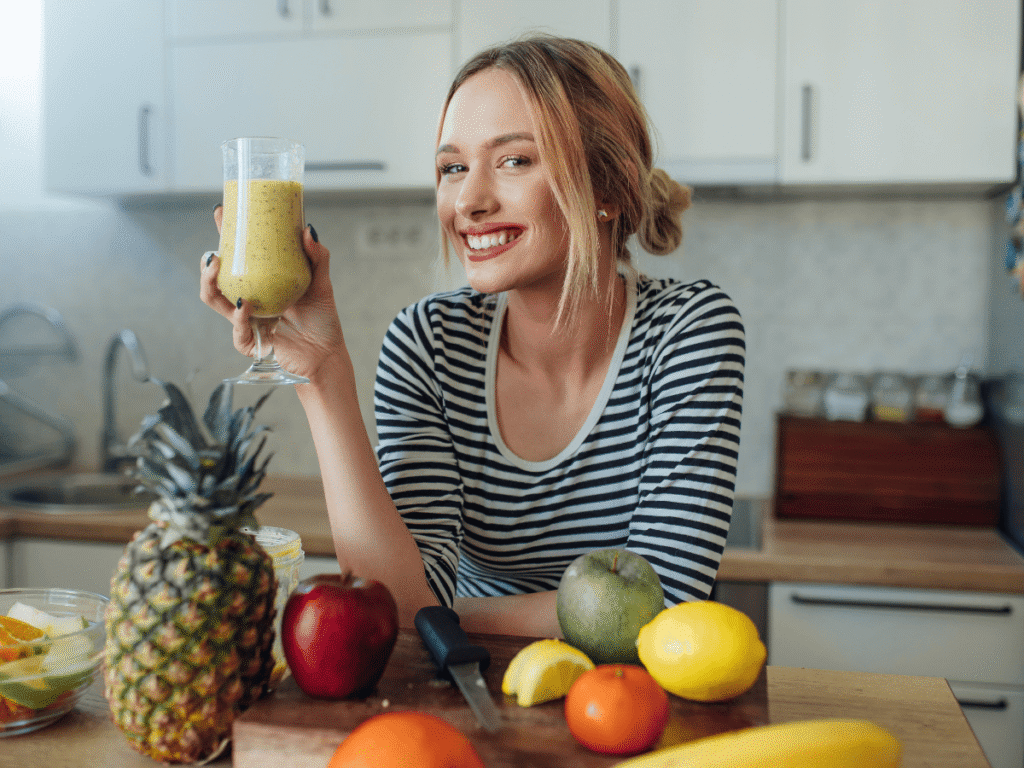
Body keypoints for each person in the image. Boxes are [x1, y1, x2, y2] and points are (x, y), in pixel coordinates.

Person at [200, 35, 745, 637]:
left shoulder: (688, 332)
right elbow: (388, 599)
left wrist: (436, 615)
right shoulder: (431, 344)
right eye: (453, 168)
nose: (469, 201)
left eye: (514, 161)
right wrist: (321, 373)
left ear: (607, 189)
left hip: (620, 692)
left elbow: (662, 608)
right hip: (469, 680)